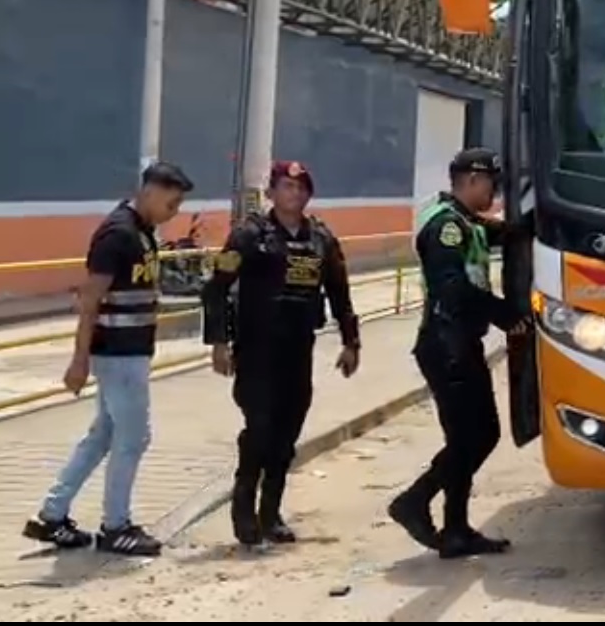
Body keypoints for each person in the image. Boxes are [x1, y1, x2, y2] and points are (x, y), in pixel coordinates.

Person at [22, 161, 194, 557]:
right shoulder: (118, 235)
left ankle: (52, 515)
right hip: (118, 353)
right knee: (133, 438)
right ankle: (116, 526)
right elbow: (90, 300)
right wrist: (78, 359)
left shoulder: (143, 233)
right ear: (149, 192)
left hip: (131, 351)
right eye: (171, 203)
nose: (175, 212)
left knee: (102, 436)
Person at [201, 160, 361, 546]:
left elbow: (340, 291)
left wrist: (351, 342)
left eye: (302, 187)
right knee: (259, 428)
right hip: (257, 350)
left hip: (298, 349)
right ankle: (243, 508)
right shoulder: (248, 236)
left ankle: (270, 514)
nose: (295, 193)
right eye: (287, 186)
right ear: (272, 193)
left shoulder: (321, 238)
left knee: (287, 435)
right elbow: (216, 288)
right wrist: (219, 343)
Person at [387, 148, 529, 559]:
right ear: (471, 180)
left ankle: (454, 530)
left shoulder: (466, 222)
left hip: (461, 342)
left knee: (471, 437)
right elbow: (453, 287)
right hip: (446, 345)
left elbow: (499, 232)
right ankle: (415, 501)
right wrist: (504, 314)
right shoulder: (446, 227)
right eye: (491, 185)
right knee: (475, 436)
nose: (493, 194)